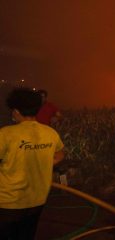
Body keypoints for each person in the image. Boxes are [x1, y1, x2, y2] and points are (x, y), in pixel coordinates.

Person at [0, 88, 65, 240]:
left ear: (16, 111)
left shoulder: (6, 134)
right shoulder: (50, 133)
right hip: (37, 200)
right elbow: (60, 155)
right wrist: (41, 163)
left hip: (8, 202)